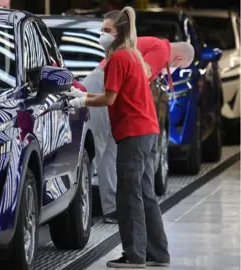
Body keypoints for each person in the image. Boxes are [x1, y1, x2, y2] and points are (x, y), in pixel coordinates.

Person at [66, 6, 171, 268]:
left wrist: (82, 100)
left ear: (120, 32)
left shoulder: (118, 59)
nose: (102, 34)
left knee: (129, 195)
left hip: (133, 133)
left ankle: (134, 256)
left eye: (107, 30)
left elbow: (109, 98)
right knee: (145, 193)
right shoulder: (133, 55)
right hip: (146, 130)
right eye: (102, 30)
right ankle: (158, 254)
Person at [73, 36, 194, 224]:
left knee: (111, 148)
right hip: (103, 85)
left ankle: (111, 208)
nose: (175, 68)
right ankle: (75, 208)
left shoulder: (157, 47)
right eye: (180, 66)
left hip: (110, 86)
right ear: (179, 60)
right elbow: (137, 78)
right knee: (97, 147)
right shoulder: (161, 51)